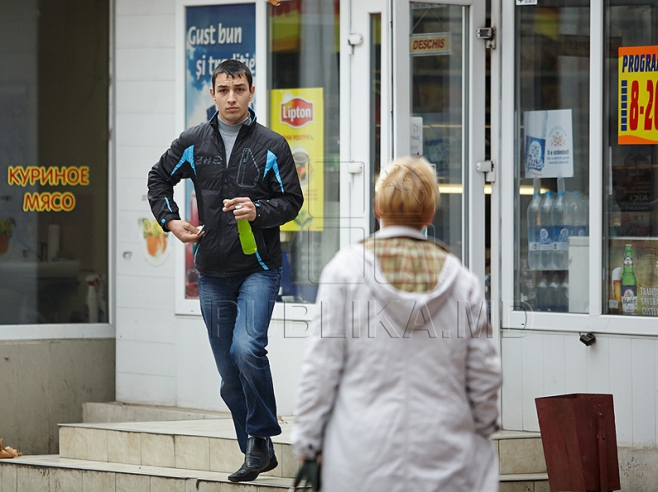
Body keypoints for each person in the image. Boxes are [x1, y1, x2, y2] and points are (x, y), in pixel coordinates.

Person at [291, 156, 502, 491]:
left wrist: (308, 442)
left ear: (377, 207)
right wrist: (480, 430)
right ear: (431, 213)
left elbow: (321, 367)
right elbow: (485, 376)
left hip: (359, 459)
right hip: (445, 456)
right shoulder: (463, 281)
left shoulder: (344, 271)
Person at [147, 59, 303, 483]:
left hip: (259, 268)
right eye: (223, 90)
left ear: (252, 91)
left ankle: (259, 438)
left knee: (247, 348)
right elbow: (158, 178)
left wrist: (260, 209)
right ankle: (260, 449)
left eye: (239, 89)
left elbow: (292, 202)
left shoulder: (273, 144)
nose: (231, 97)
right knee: (229, 378)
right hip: (213, 271)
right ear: (213, 94)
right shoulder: (193, 141)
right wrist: (170, 220)